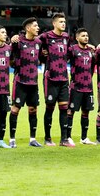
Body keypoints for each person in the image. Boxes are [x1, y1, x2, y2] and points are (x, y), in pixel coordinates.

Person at [39, 12, 72, 147]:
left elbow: (69, 53)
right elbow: (33, 44)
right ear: (54, 23)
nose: (63, 24)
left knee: (64, 108)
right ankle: (47, 138)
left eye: (64, 22)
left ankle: (64, 139)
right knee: (50, 108)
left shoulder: (66, 37)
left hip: (64, 77)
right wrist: (42, 53)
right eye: (61, 22)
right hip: (50, 78)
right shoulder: (45, 37)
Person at [9, 17, 42, 148]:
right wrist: (12, 40)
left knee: (33, 109)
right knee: (15, 109)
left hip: (33, 81)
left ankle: (32, 139)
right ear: (28, 28)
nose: (38, 27)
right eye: (35, 25)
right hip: (20, 81)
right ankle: (12, 139)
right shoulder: (18, 41)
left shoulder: (38, 42)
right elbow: (10, 54)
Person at [66, 28, 96, 145]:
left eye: (87, 35)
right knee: (71, 111)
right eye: (83, 35)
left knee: (86, 112)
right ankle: (68, 137)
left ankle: (84, 138)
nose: (86, 37)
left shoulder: (91, 52)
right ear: (77, 38)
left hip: (88, 87)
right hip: (76, 86)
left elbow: (92, 67)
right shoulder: (73, 50)